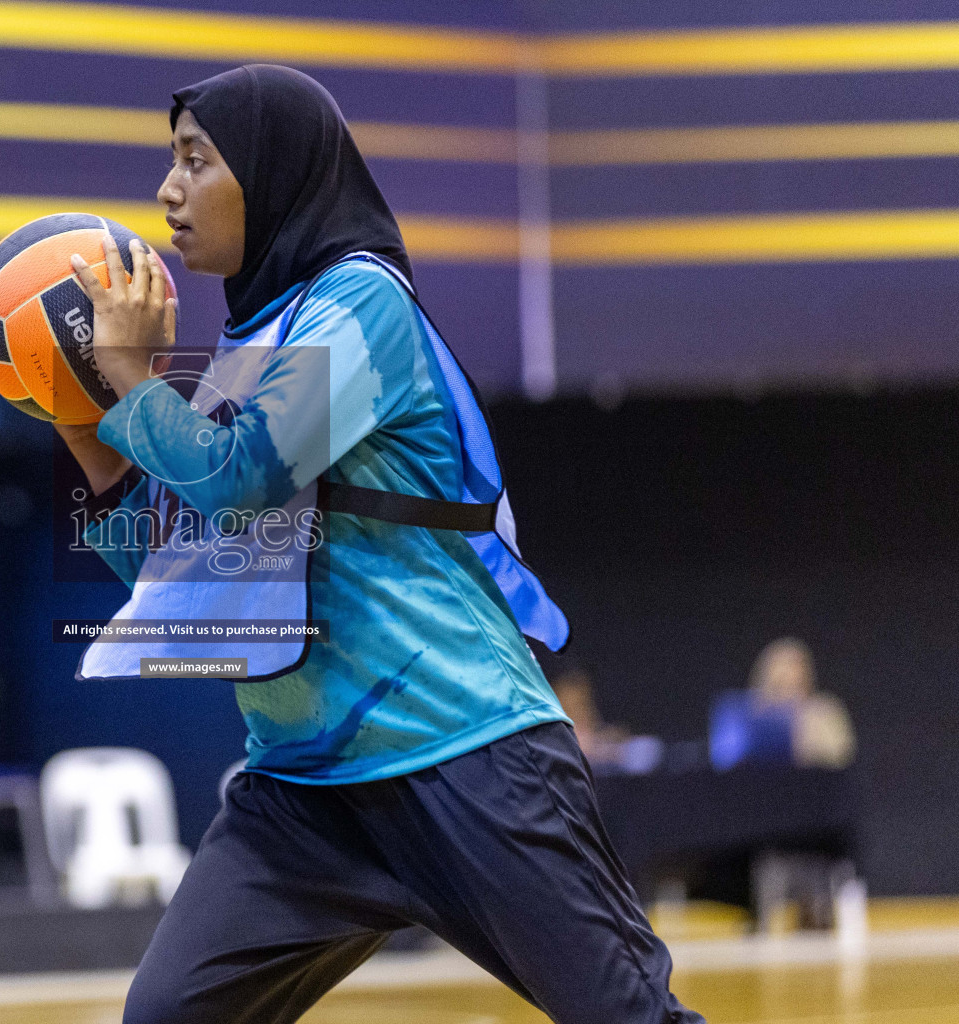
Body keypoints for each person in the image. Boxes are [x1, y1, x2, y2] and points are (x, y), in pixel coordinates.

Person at [59, 65, 702, 1024]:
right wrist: (86, 424)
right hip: (304, 788)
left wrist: (130, 381)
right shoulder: (258, 343)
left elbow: (246, 475)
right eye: (170, 162)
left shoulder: (363, 306)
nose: (168, 191)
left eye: (196, 160)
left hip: (463, 752)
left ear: (274, 174)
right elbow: (185, 561)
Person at [747, 637, 854, 770]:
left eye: (792, 664)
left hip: (813, 784)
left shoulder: (825, 709)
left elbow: (841, 754)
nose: (785, 672)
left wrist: (805, 726)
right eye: (779, 665)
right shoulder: (745, 712)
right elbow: (725, 757)